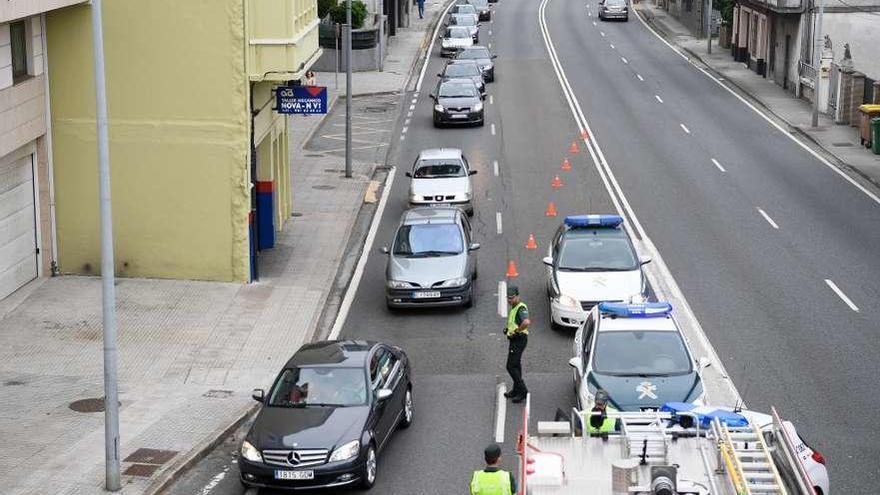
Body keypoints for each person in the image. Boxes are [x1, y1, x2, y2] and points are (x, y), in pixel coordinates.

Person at [503, 285, 530, 403]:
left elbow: (526, 322)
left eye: (512, 297)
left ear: (518, 296)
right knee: (516, 365)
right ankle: (515, 390)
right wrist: (508, 329)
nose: (510, 300)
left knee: (510, 366)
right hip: (515, 339)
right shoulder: (514, 307)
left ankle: (522, 390)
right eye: (508, 298)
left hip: (519, 339)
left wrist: (516, 332)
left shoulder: (520, 308)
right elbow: (514, 323)